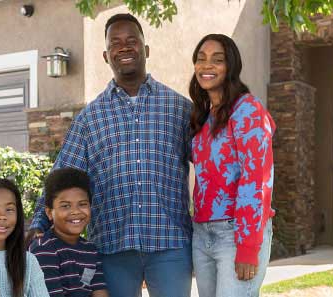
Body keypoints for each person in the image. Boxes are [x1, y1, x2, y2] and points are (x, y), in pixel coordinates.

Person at [29, 13, 193, 297]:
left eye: (132, 40)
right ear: (106, 56)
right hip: (112, 245)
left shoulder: (179, 108)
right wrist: (38, 224)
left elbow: (211, 162)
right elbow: (62, 173)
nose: (124, 47)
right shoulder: (90, 118)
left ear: (146, 49)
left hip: (170, 243)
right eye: (115, 42)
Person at [188, 33, 276, 297]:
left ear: (231, 67)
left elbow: (256, 179)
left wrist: (248, 246)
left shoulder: (247, 110)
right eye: (201, 59)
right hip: (202, 233)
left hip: (236, 233)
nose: (207, 66)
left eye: (217, 60)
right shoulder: (204, 117)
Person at [29, 168, 108, 297]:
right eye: (65, 206)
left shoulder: (90, 250)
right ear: (49, 213)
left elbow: (99, 290)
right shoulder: (43, 248)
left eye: (82, 204)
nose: (75, 211)